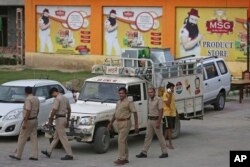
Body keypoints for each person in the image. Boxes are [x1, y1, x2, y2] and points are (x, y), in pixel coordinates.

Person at [107, 87, 139, 165]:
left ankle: (121, 158)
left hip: (126, 122)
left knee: (120, 140)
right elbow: (116, 113)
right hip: (118, 123)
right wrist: (111, 123)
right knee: (123, 141)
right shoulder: (118, 102)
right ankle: (126, 158)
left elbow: (134, 113)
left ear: (125, 94)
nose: (121, 94)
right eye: (119, 93)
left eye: (122, 93)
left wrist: (136, 125)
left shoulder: (129, 102)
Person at [41, 87, 73, 160]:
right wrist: (67, 120)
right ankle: (49, 151)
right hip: (64, 118)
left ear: (54, 92)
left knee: (63, 137)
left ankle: (70, 154)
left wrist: (50, 121)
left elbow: (54, 110)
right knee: (56, 137)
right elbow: (69, 110)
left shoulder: (57, 99)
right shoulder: (65, 98)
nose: (52, 96)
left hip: (59, 119)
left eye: (52, 94)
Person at [136, 87, 168, 158]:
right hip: (150, 120)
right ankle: (144, 152)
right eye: (148, 92)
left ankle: (165, 152)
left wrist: (159, 122)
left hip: (156, 120)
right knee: (147, 136)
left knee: (160, 137)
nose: (150, 94)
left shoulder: (159, 99)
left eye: (151, 92)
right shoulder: (149, 99)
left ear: (154, 92)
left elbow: (161, 111)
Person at [9, 87, 40, 161]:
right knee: (34, 137)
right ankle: (34, 155)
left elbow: (28, 110)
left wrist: (25, 122)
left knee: (22, 137)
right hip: (35, 119)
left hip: (28, 120)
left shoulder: (28, 99)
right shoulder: (36, 98)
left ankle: (18, 155)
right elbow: (38, 109)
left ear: (25, 92)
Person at [163, 82, 176, 149]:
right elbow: (168, 104)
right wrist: (170, 95)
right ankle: (170, 143)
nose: (173, 89)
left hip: (172, 114)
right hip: (167, 114)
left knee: (168, 129)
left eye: (173, 88)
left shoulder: (172, 94)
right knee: (169, 129)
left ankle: (163, 142)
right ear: (168, 89)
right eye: (171, 88)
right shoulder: (165, 94)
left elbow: (173, 104)